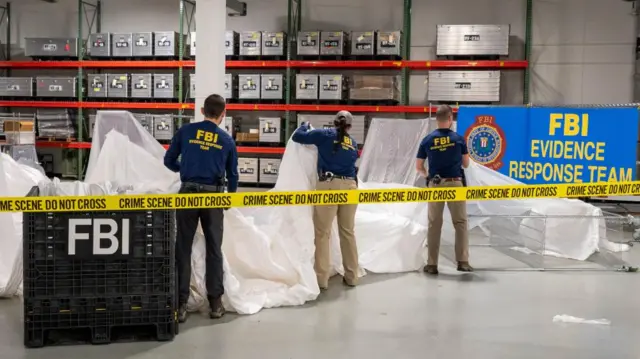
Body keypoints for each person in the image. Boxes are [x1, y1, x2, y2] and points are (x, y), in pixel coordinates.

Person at [164, 94, 238, 322]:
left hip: (187, 194)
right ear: (223, 114)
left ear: (202, 110)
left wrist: (185, 167)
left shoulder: (186, 132)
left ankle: (181, 304)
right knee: (214, 248)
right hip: (213, 196)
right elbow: (233, 176)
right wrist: (228, 199)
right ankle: (215, 303)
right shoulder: (226, 140)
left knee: (182, 247)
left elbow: (168, 160)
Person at [292, 110, 359, 290]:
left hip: (328, 186)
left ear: (334, 122)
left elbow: (298, 137)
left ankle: (321, 279)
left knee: (323, 233)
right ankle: (352, 276)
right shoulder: (353, 143)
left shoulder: (324, 134)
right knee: (348, 232)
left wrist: (304, 126)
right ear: (350, 126)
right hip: (351, 188)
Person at [415, 105, 473, 275]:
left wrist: (427, 175)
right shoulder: (459, 139)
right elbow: (466, 164)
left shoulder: (427, 140)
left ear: (436, 119)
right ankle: (463, 262)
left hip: (436, 184)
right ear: (450, 119)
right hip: (455, 183)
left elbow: (418, 166)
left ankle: (432, 264)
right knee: (460, 223)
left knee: (434, 224)